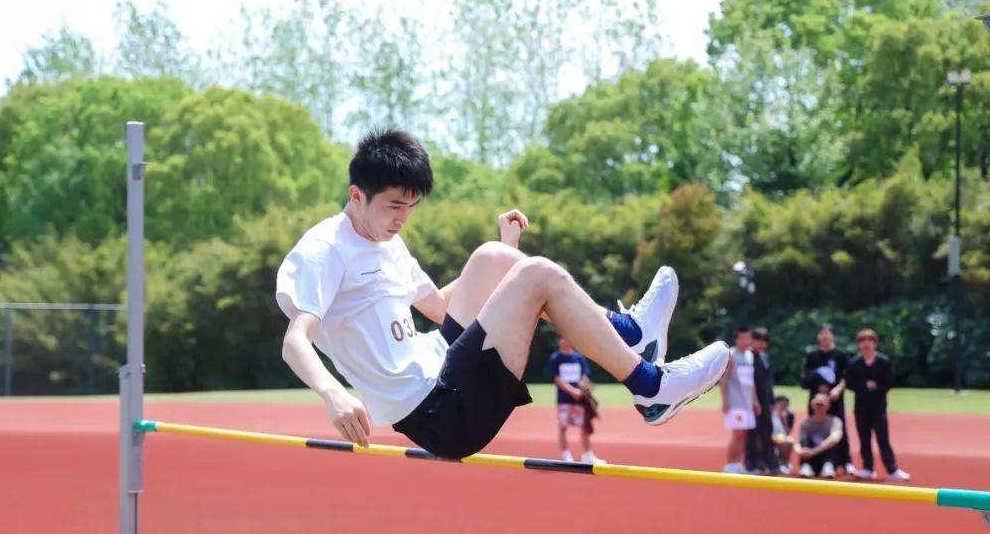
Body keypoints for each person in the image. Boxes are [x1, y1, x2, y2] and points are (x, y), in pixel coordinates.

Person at [275, 128, 730, 459]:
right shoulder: (324, 250)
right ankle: (650, 386)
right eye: (394, 206)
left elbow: (441, 309)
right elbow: (295, 340)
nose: (402, 219)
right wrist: (333, 393)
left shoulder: (387, 242)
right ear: (356, 195)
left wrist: (505, 259)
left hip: (441, 361)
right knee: (538, 274)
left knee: (492, 255)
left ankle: (630, 334)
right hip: (439, 411)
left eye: (411, 207)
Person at [846, 329, 910, 482]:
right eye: (862, 341)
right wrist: (863, 386)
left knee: (883, 439)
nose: (866, 344)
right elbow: (849, 383)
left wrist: (876, 386)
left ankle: (892, 470)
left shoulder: (883, 361)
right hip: (861, 407)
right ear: (859, 344)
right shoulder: (853, 363)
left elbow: (889, 382)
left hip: (879, 407)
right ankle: (868, 468)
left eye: (870, 340)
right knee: (864, 439)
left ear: (875, 343)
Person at [801, 324, 855, 475]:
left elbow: (846, 377)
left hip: (835, 400)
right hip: (816, 401)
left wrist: (838, 389)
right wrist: (818, 386)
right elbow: (804, 380)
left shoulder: (840, 356)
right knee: (813, 430)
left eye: (827, 334)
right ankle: (811, 463)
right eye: (822, 334)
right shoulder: (812, 356)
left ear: (832, 336)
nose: (824, 337)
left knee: (840, 430)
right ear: (818, 337)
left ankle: (846, 462)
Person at [549, 336, 603, 463]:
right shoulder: (555, 358)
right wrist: (572, 391)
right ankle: (566, 455)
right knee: (563, 426)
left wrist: (585, 388)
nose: (565, 341)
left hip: (580, 399)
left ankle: (587, 456)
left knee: (584, 426)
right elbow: (557, 379)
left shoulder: (579, 357)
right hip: (564, 399)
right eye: (563, 338)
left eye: (568, 338)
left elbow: (584, 375)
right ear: (559, 341)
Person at [719, 325, 760, 474]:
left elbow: (751, 381)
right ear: (736, 339)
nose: (746, 341)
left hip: (747, 402)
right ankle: (729, 465)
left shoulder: (750, 355)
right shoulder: (731, 355)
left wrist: (755, 401)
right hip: (735, 401)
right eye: (742, 338)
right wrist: (725, 400)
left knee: (744, 434)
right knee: (736, 433)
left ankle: (738, 464)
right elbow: (724, 379)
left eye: (748, 338)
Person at [745, 327, 781, 475]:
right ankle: (752, 464)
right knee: (752, 434)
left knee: (767, 431)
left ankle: (770, 464)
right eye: (758, 340)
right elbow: (748, 382)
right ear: (752, 340)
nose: (762, 344)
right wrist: (754, 402)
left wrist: (772, 401)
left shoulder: (764, 357)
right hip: (751, 402)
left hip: (765, 401)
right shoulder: (747, 357)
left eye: (765, 341)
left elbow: (768, 381)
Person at [794, 393, 844, 478]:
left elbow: (835, 438)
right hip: (809, 456)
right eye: (817, 405)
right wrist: (800, 450)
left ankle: (828, 466)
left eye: (822, 405)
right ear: (812, 406)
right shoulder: (806, 422)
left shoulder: (835, 421)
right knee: (805, 442)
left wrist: (814, 451)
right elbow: (798, 440)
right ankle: (807, 466)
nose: (819, 407)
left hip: (827, 455)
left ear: (828, 406)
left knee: (833, 445)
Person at [771, 395, 795, 470]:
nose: (785, 407)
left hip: (779, 437)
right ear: (777, 403)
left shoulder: (787, 416)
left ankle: (784, 462)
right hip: (770, 437)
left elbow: (786, 433)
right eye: (783, 404)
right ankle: (781, 463)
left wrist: (785, 421)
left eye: (786, 405)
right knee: (787, 441)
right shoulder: (771, 414)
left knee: (789, 440)